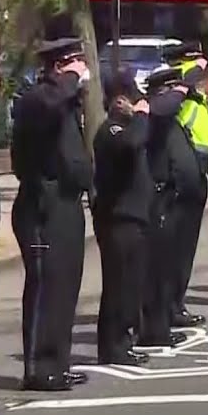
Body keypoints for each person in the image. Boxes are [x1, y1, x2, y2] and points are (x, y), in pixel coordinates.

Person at [11, 37, 93, 392]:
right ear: (59, 66)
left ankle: (58, 362)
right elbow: (47, 105)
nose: (83, 70)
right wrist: (71, 79)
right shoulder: (38, 98)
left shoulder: (65, 103)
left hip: (67, 202)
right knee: (46, 286)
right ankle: (38, 368)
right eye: (75, 63)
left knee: (65, 287)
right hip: (42, 203)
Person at [92, 70, 154, 365]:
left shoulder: (130, 129)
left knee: (131, 284)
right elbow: (131, 144)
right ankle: (112, 346)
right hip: (118, 218)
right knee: (117, 286)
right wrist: (140, 115)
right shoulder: (111, 131)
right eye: (132, 99)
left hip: (134, 217)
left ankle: (124, 340)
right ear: (119, 101)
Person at [139, 68, 193, 348]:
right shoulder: (155, 114)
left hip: (174, 199)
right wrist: (180, 90)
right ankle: (154, 328)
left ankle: (167, 316)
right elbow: (164, 106)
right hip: (157, 198)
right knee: (156, 270)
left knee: (169, 266)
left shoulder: (170, 120)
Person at [171, 66, 208, 326]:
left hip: (199, 175)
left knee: (186, 250)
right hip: (186, 181)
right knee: (179, 252)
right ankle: (173, 306)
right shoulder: (188, 107)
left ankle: (177, 303)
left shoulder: (201, 105)